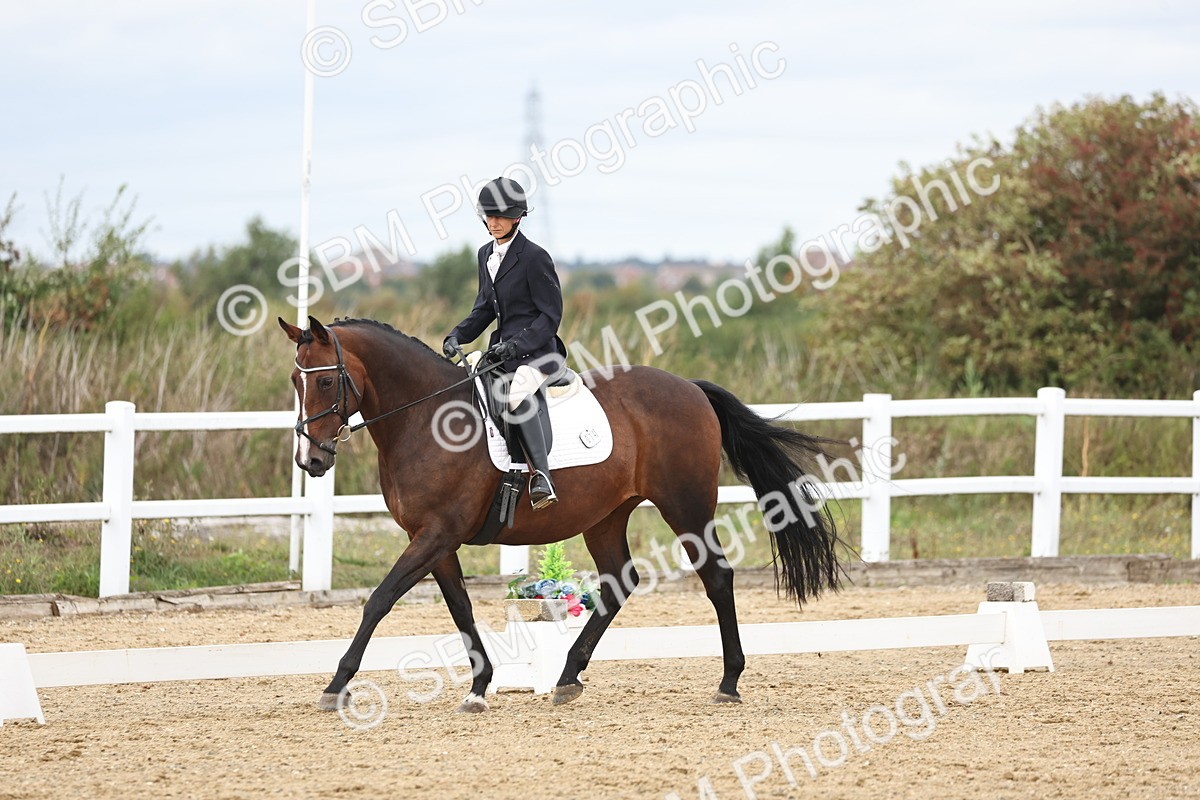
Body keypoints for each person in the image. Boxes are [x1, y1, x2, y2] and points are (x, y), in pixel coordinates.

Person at [443, 177, 567, 510]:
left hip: (539, 352)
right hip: (503, 352)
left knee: (516, 392)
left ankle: (543, 477)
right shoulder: (486, 254)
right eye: (488, 216)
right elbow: (484, 307)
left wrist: (518, 345)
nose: (493, 223)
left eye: (500, 216)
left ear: (518, 217)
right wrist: (458, 335)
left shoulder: (535, 257)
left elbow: (549, 316)